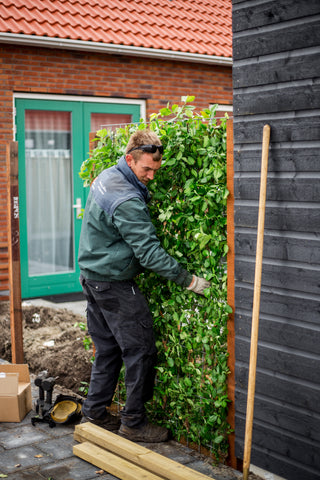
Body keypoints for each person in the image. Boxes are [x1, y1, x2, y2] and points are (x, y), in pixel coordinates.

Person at [78, 128, 210, 442]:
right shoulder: (126, 199)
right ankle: (133, 424)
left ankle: (95, 413)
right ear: (130, 159)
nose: (151, 175)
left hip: (92, 276)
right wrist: (189, 280)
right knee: (140, 351)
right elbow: (149, 252)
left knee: (108, 348)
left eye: (155, 169)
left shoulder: (109, 176)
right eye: (145, 169)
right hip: (112, 282)